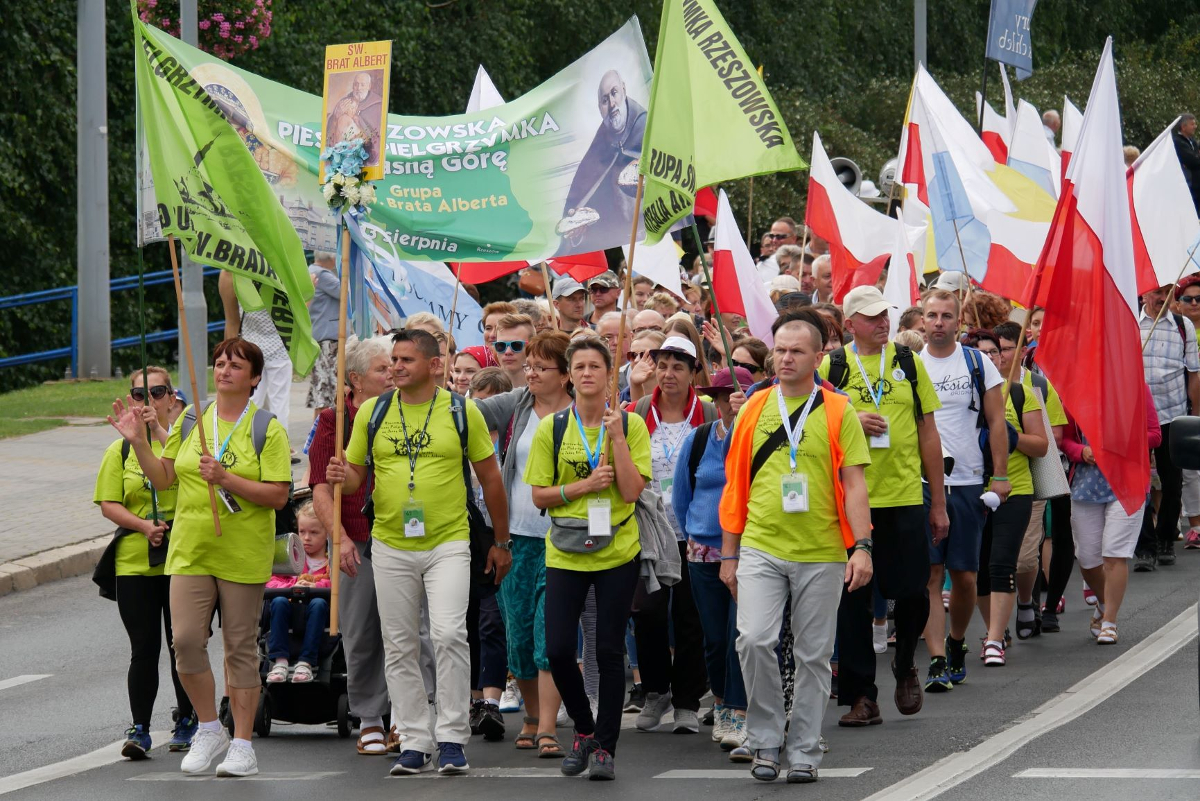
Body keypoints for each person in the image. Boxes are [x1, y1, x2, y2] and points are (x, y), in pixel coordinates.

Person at [327, 328, 512, 776]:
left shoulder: (460, 410)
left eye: (406, 359)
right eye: (394, 359)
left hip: (450, 542)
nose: (396, 366)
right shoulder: (372, 410)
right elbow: (354, 478)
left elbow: (490, 480)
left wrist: (502, 543)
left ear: (434, 366)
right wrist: (340, 475)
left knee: (449, 635)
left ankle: (451, 737)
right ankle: (414, 739)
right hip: (390, 543)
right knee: (400, 644)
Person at [107, 339, 292, 777]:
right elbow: (165, 477)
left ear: (254, 378)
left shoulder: (268, 427)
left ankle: (243, 744)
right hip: (190, 550)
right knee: (187, 641)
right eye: (219, 362)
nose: (224, 369)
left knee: (239, 649)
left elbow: (278, 494)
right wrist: (139, 443)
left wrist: (227, 476)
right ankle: (210, 727)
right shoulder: (192, 419)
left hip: (242, 552)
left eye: (235, 364)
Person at [720, 316, 874, 783]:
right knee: (754, 640)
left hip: (822, 550)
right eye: (780, 350)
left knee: (812, 654)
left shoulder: (837, 409)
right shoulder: (753, 407)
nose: (785, 359)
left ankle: (804, 748)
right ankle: (765, 738)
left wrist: (862, 546)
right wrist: (730, 554)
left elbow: (855, 483)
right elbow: (735, 486)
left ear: (817, 357)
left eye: (796, 352)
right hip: (761, 547)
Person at [818, 285, 947, 726]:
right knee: (852, 601)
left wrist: (939, 503)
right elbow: (812, 425)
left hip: (905, 496)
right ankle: (861, 697)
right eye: (871, 317)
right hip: (851, 503)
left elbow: (929, 433)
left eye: (884, 315)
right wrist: (850, 417)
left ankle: (906, 659)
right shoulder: (832, 367)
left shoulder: (909, 363)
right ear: (849, 324)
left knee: (912, 592)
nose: (882, 322)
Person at [525, 336, 652, 781]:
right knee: (559, 649)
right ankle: (584, 729)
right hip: (566, 552)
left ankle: (606, 748)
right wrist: (583, 487)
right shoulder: (553, 427)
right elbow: (540, 494)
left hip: (617, 550)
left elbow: (634, 491)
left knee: (608, 649)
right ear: (568, 375)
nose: (586, 374)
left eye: (595, 366)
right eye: (578, 367)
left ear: (607, 374)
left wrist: (616, 439)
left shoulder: (630, 426)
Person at [473, 331, 575, 758]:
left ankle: (549, 725)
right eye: (528, 365)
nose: (529, 373)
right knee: (517, 639)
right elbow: (469, 413)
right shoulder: (515, 404)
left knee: (549, 641)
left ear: (566, 374)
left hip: (564, 540)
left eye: (540, 367)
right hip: (516, 539)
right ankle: (532, 716)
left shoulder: (586, 412)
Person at [94, 366, 194, 759]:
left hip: (182, 557)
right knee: (144, 647)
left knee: (182, 644)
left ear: (172, 398)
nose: (148, 400)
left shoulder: (182, 443)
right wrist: (141, 525)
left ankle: (187, 718)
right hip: (135, 561)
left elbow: (194, 482)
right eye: (139, 395)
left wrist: (159, 433)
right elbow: (108, 503)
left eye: (157, 392)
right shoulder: (118, 450)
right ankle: (140, 728)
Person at [918, 291, 1012, 691]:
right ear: (921, 321)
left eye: (946, 316)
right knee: (930, 574)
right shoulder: (909, 363)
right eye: (931, 315)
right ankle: (937, 658)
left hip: (969, 481)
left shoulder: (977, 363)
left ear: (959, 322)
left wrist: (1001, 476)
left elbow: (996, 422)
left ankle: (957, 641)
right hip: (921, 484)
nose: (938, 322)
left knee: (965, 576)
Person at [307, 336, 395, 757]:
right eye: (383, 368)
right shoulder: (333, 420)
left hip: (406, 535)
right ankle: (371, 718)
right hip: (357, 537)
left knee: (411, 632)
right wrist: (337, 540)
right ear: (356, 379)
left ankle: (410, 716)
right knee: (361, 633)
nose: (392, 373)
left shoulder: (404, 410)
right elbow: (320, 486)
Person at [627, 337, 715, 735]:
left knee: (690, 618)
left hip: (695, 532)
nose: (668, 374)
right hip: (650, 531)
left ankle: (686, 701)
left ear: (694, 373)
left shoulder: (708, 413)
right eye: (662, 365)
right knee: (646, 612)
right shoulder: (641, 410)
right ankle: (657, 690)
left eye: (678, 366)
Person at [671, 366, 755, 762]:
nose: (727, 403)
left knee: (742, 633)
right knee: (715, 637)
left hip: (750, 549)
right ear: (715, 401)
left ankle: (739, 712)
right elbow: (682, 495)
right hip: (703, 550)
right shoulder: (699, 438)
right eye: (721, 397)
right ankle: (721, 703)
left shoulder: (757, 436)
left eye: (734, 396)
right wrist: (697, 535)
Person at [1063, 386, 1160, 645]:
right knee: (1087, 558)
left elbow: (1155, 435)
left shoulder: (1137, 388)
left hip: (1127, 485)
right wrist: (1081, 452)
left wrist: (1127, 440)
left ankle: (1109, 622)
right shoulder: (1076, 392)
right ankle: (1105, 603)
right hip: (1086, 485)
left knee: (1114, 553)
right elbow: (1064, 439)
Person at [977, 334, 1047, 666]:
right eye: (982, 353)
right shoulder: (964, 396)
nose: (991, 357)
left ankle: (993, 640)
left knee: (1002, 563)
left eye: (996, 352)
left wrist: (1012, 435)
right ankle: (997, 627)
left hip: (1015, 490)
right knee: (976, 569)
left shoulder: (1020, 394)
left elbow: (1042, 446)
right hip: (971, 491)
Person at [1136, 283, 1200, 569]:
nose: (1162, 298)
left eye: (1167, 292)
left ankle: (1164, 539)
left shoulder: (1182, 325)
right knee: (1138, 484)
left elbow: (1193, 373)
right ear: (1144, 294)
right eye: (1156, 292)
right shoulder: (1129, 323)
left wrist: (1194, 415)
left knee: (1172, 483)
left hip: (1172, 416)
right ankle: (1144, 548)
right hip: (1135, 419)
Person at [557, 70, 646, 255]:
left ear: (624, 90)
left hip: (647, 243)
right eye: (605, 100)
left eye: (614, 93)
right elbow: (580, 198)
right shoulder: (600, 143)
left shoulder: (646, 129)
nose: (612, 104)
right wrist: (578, 227)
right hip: (617, 244)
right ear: (600, 107)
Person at [265, 501, 331, 684]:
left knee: (318, 603)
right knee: (277, 601)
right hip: (289, 610)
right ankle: (280, 661)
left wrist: (316, 588)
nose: (306, 538)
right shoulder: (290, 558)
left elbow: (337, 584)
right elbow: (271, 580)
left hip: (319, 613)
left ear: (327, 534)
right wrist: (293, 586)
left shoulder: (330, 561)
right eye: (302, 532)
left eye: (314, 532)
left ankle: (306, 661)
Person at [1173, 274, 1200, 547]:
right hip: (1183, 406)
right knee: (1185, 467)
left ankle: (1196, 521)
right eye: (1188, 299)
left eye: (1199, 299)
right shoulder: (1175, 329)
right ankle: (1182, 522)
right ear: (1178, 303)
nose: (1194, 303)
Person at [306, 252, 341, 417]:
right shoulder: (322, 274)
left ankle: (317, 435)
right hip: (328, 340)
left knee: (322, 392)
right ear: (333, 259)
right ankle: (320, 436)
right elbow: (346, 290)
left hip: (320, 336)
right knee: (326, 393)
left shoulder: (310, 270)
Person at [494, 313, 536, 389]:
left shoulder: (546, 389)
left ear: (532, 346)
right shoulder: (485, 389)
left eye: (516, 345)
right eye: (501, 345)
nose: (507, 352)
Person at [1173, 113, 1200, 214]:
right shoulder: (1178, 142)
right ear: (1183, 127)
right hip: (1189, 186)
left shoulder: (1192, 141)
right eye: (1192, 124)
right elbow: (1192, 161)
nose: (1195, 127)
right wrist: (1196, 157)